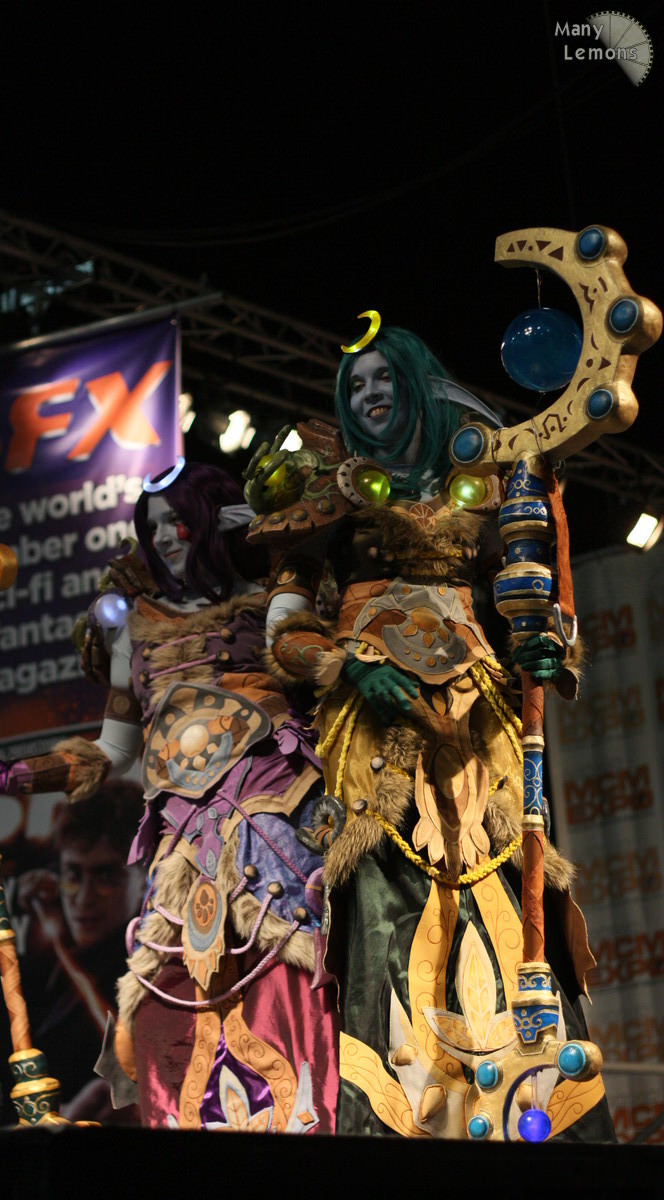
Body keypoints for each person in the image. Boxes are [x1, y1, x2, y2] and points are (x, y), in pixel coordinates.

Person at [244, 318, 615, 1141]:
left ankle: (534, 1104)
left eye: (383, 379)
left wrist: (545, 645)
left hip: (478, 719)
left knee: (505, 877)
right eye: (356, 386)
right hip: (373, 729)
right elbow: (284, 632)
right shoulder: (326, 492)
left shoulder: (478, 482)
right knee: (385, 893)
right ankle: (398, 1119)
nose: (371, 395)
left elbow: (529, 598)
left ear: (414, 381)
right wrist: (346, 667)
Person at [0, 460, 339, 1133]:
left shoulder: (272, 599)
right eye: (153, 525)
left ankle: (315, 1127)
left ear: (213, 518)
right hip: (182, 836)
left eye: (178, 520)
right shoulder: (133, 629)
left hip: (270, 808)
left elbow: (320, 667)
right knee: (166, 999)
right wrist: (12, 775)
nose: (164, 537)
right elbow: (111, 752)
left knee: (292, 971)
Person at [0, 783, 144, 1125]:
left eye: (106, 876)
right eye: (74, 874)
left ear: (142, 876)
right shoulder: (36, 976)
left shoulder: (158, 973)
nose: (85, 898)